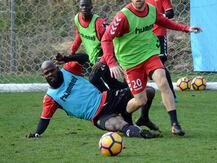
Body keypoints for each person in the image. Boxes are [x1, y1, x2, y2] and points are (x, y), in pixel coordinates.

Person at [101, 0, 202, 136]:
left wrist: (186, 28)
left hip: (149, 55)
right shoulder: (123, 17)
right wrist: (112, 62)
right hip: (130, 62)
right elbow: (106, 39)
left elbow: (166, 22)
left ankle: (175, 124)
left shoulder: (152, 10)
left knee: (162, 80)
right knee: (141, 100)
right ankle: (124, 115)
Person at [26, 53, 159, 139]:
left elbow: (84, 58)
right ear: (43, 76)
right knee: (116, 125)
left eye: (51, 70)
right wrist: (37, 133)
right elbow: (44, 119)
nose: (50, 74)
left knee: (149, 91)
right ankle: (140, 133)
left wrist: (66, 58)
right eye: (46, 73)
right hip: (98, 116)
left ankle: (143, 118)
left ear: (56, 68)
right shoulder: (51, 97)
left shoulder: (68, 69)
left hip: (108, 98)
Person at [69, 0, 127, 92]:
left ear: (91, 7)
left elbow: (111, 40)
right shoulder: (77, 19)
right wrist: (72, 51)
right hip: (94, 58)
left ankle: (109, 99)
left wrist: (102, 60)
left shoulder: (98, 23)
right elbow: (79, 35)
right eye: (82, 5)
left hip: (104, 56)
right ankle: (129, 93)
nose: (84, 8)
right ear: (79, 7)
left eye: (87, 6)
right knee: (113, 84)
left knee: (93, 79)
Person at [144, 0, 178, 103]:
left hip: (159, 34)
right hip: (144, 36)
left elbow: (170, 13)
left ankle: (171, 96)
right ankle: (139, 95)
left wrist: (156, 17)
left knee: (160, 65)